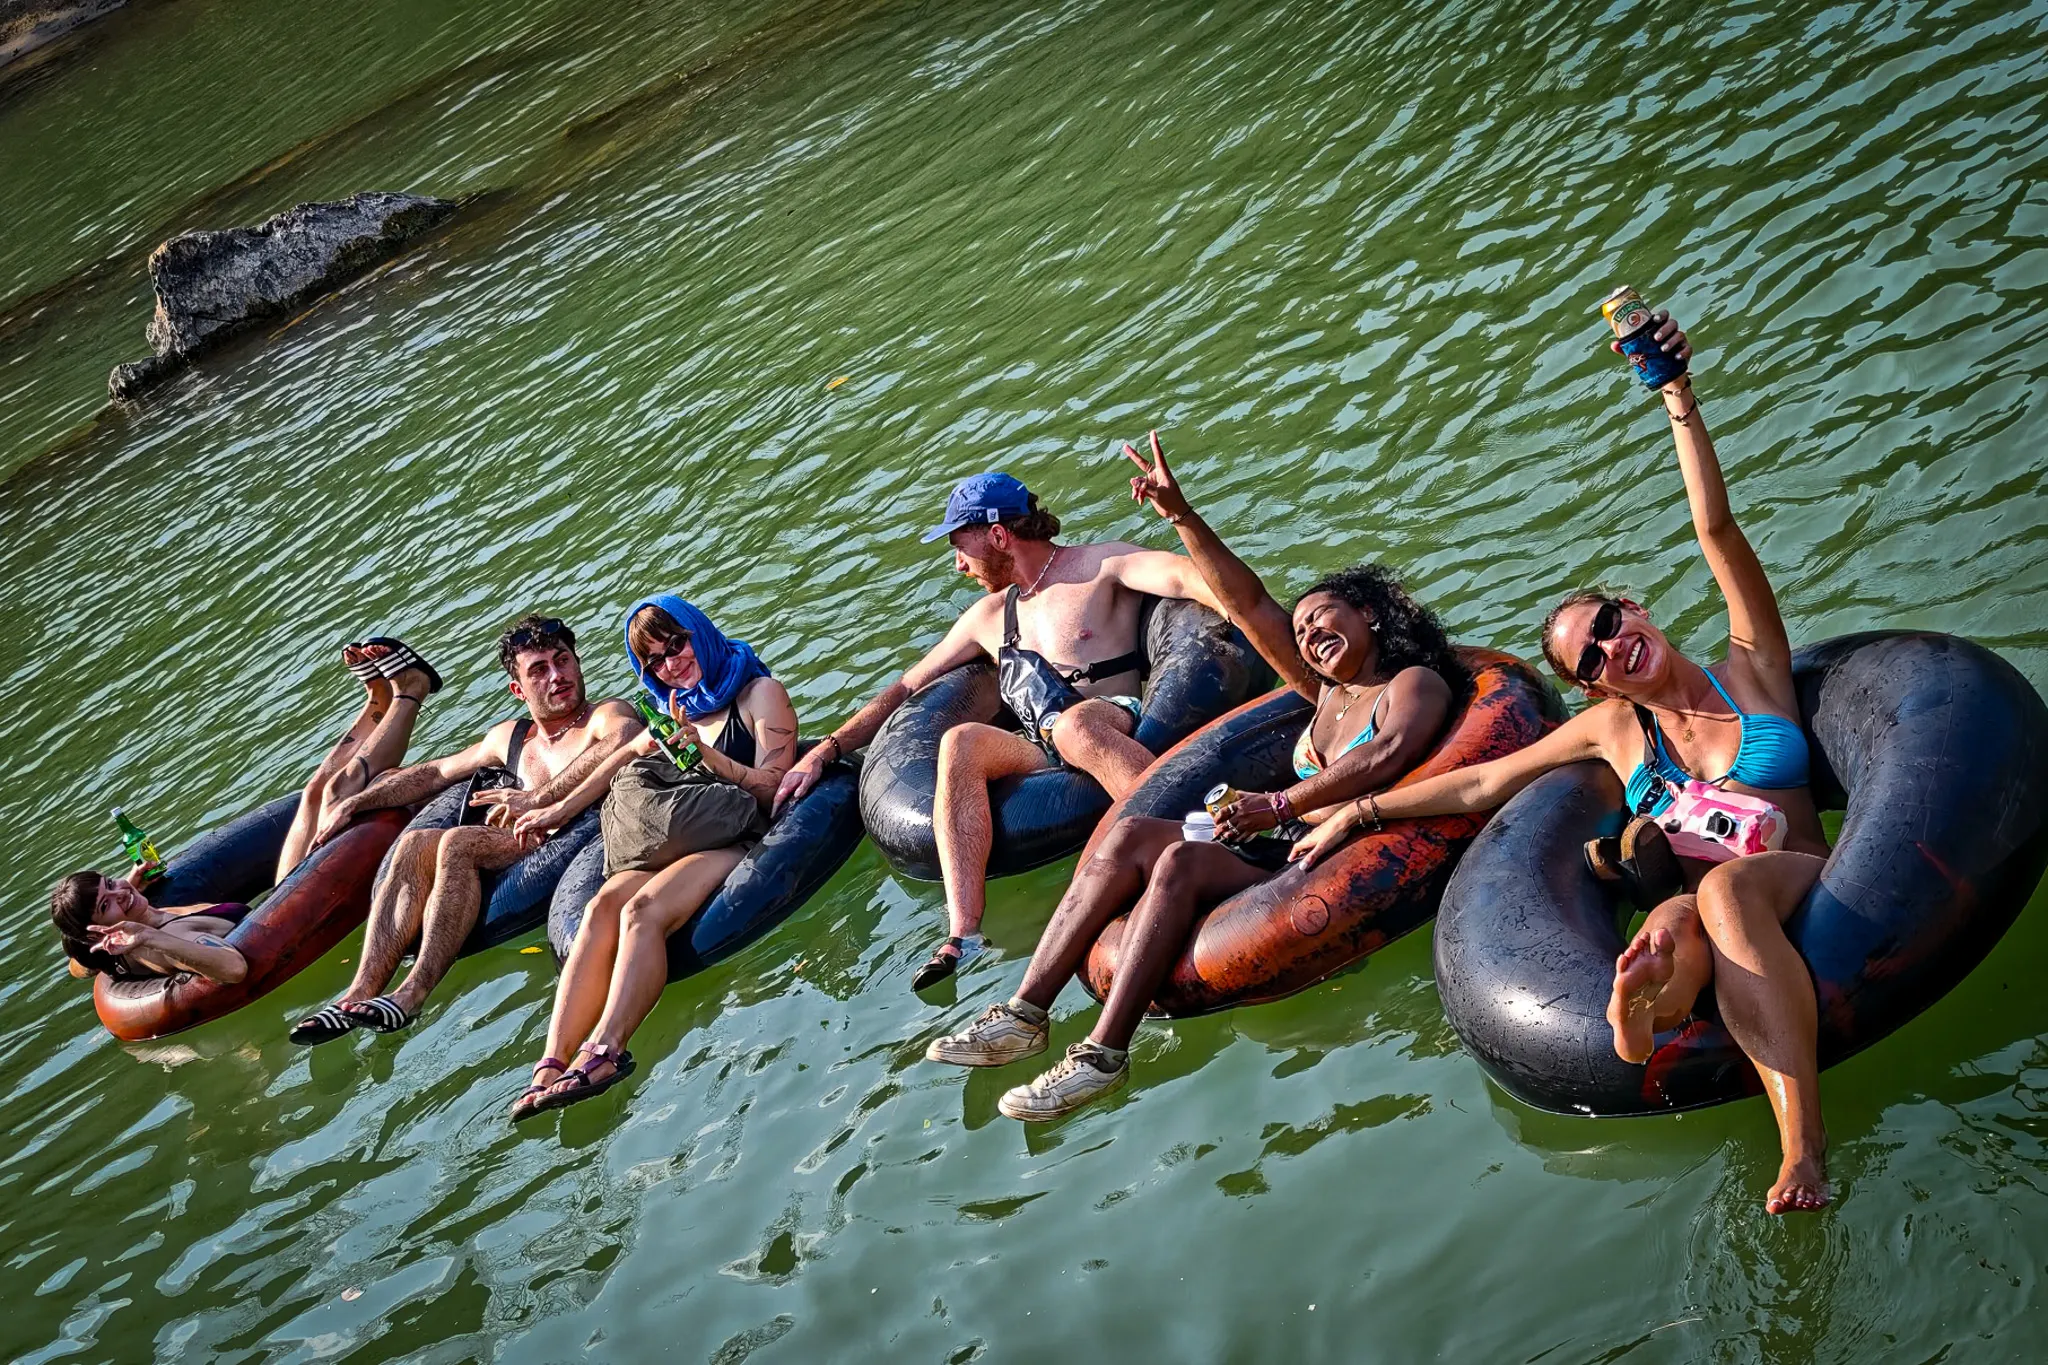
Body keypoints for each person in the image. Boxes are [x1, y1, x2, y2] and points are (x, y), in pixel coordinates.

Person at [1289, 311, 1834, 1215]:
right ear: (1588, 690)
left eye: (1611, 627)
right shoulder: (1616, 733)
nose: (1613, 651)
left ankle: (1803, 1152)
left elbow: (1717, 528)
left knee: (1720, 895)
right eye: (1590, 660)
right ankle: (1643, 1004)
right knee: (1670, 919)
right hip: (1705, 908)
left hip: (1796, 880)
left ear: (1635, 606)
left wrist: (1675, 396)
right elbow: (1480, 783)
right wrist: (1363, 813)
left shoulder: (1753, 668)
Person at [926, 433, 1462, 1120]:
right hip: (1280, 840)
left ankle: (1102, 1056)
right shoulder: (1321, 690)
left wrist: (1278, 801)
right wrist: (1180, 514)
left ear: (1370, 612)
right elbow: (1249, 603)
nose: (1306, 635)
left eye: (1323, 617)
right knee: (1129, 838)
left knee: (1179, 860)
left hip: (1331, 847)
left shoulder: (1410, 682)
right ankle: (1025, 1011)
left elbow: (1384, 757)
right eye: (1299, 631)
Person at [773, 470, 1228, 992]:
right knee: (959, 741)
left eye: (958, 545)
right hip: (1043, 749)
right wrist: (825, 751)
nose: (957, 563)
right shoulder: (989, 617)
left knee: (1076, 723)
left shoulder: (1100, 566)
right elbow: (904, 690)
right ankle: (963, 934)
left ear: (997, 534)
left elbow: (1190, 579)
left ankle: (1201, 837)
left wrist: (1270, 628)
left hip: (1111, 719)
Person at [508, 596, 798, 1118]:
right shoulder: (668, 708)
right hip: (679, 833)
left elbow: (774, 789)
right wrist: (552, 807)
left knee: (642, 912)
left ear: (699, 633)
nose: (671, 663)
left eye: (677, 644)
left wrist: (707, 755)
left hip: (735, 838)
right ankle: (550, 1064)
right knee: (600, 909)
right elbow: (619, 761)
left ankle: (606, 1050)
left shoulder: (760, 695)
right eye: (654, 661)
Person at [289, 615, 639, 1044]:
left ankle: (413, 994)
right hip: (514, 839)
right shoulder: (511, 738)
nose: (557, 676)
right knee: (416, 842)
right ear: (519, 689)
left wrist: (539, 797)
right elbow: (436, 772)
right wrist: (357, 802)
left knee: (456, 842)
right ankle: (357, 993)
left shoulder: (602, 716)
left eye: (562, 660)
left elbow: (625, 737)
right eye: (539, 670)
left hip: (566, 837)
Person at [50, 636, 442, 986]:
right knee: (340, 792)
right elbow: (234, 969)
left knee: (313, 793)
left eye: (111, 883)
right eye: (108, 903)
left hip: (278, 900)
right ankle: (412, 689)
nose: (120, 893)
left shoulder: (135, 912)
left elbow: (79, 961)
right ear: (98, 933)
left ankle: (378, 699)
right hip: (293, 919)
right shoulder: (154, 945)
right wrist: (148, 935)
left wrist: (128, 892)